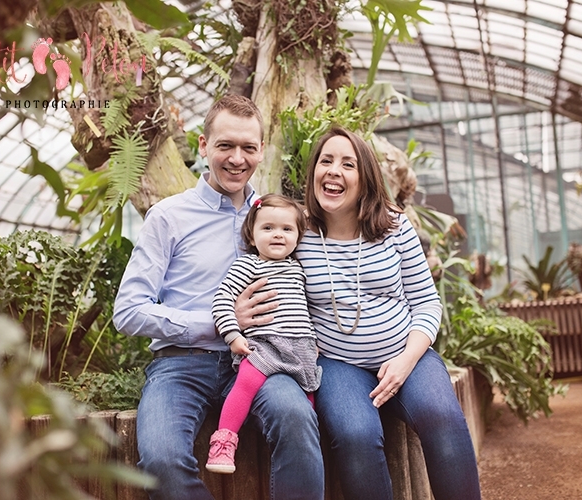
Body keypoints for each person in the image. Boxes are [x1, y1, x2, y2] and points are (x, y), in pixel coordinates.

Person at [237, 127, 481, 500]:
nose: (334, 170)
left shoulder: (395, 227)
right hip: (337, 365)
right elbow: (260, 272)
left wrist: (404, 362)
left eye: (347, 164)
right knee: (356, 435)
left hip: (406, 355)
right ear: (313, 173)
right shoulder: (297, 232)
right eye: (326, 161)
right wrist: (238, 312)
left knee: (441, 417)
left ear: (364, 177)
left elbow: (428, 304)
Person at [113, 94, 324, 500]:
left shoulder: (275, 218)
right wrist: (219, 323)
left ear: (261, 150)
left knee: (296, 418)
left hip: (261, 360)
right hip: (180, 365)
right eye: (225, 145)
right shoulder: (169, 217)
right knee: (160, 459)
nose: (237, 158)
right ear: (203, 145)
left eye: (248, 147)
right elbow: (128, 311)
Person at [206, 193, 322, 474]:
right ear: (252, 233)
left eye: (287, 229)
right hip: (264, 345)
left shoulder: (298, 269)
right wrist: (233, 335)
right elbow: (222, 300)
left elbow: (306, 308)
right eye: (267, 228)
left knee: (307, 405)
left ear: (298, 235)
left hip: (302, 349)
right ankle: (223, 443)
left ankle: (309, 458)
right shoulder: (248, 265)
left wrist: (314, 340)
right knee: (245, 384)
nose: (277, 235)